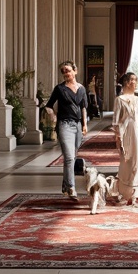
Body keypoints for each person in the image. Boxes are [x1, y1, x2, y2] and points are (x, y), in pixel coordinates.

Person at [44, 60, 88, 199]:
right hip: (64, 125)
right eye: (63, 72)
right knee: (69, 157)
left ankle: (65, 185)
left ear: (75, 71)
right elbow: (48, 105)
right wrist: (53, 115)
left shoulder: (82, 89)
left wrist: (84, 124)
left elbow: (83, 107)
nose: (66, 74)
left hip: (77, 125)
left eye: (68, 70)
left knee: (72, 157)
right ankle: (71, 187)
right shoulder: (59, 89)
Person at [112, 71, 138, 205]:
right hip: (126, 135)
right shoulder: (119, 100)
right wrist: (118, 140)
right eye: (134, 80)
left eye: (136, 80)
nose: (136, 83)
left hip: (137, 136)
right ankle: (124, 192)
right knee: (126, 164)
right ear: (127, 83)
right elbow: (116, 122)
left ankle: (134, 194)